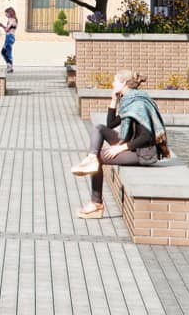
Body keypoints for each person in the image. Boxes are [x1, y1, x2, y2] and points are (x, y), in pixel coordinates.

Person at [70, 70, 166, 218]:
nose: (112, 83)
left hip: (142, 153)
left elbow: (147, 137)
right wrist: (113, 100)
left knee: (99, 158)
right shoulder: (129, 101)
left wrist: (121, 147)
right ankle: (90, 159)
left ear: (123, 83)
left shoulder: (138, 105)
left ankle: (96, 205)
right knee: (99, 128)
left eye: (115, 81)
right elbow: (110, 124)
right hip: (131, 144)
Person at [0, 7, 18, 74]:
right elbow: (8, 29)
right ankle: (9, 66)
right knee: (4, 52)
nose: (6, 15)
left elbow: (6, 30)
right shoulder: (14, 20)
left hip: (9, 37)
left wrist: (2, 26)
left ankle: (10, 67)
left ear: (9, 13)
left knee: (7, 52)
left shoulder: (12, 20)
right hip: (9, 36)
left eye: (6, 13)